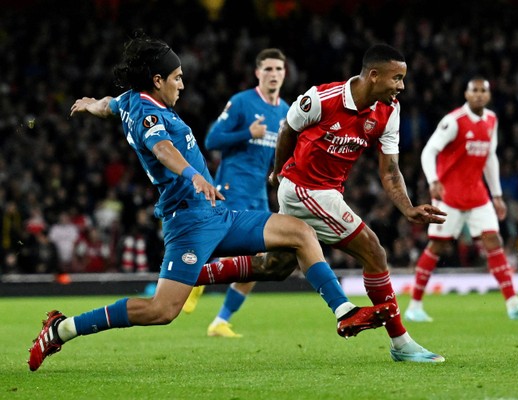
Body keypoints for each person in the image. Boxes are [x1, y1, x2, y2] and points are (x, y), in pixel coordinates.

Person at [27, 33, 398, 372]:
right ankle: (62, 329)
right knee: (161, 310)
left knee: (298, 232)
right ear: (157, 81)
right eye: (177, 77)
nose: (182, 84)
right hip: (188, 223)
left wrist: (92, 104)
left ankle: (344, 312)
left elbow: (110, 104)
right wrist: (196, 176)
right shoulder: (146, 112)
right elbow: (163, 148)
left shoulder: (128, 100)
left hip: (217, 213)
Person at [268, 43, 448, 363]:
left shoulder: (389, 111)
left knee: (276, 266)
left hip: (328, 192)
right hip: (303, 188)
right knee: (374, 251)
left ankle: (194, 275)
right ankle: (401, 342)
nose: (402, 86)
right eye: (397, 78)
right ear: (374, 75)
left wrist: (408, 208)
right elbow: (288, 130)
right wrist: (278, 173)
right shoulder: (322, 99)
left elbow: (390, 170)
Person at [404, 77, 518, 323]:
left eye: (483, 91)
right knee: (437, 246)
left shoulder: (491, 120)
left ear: (489, 96)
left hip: (478, 195)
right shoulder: (454, 121)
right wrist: (433, 181)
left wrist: (498, 195)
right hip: (449, 195)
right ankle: (414, 305)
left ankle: (513, 303)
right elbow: (429, 150)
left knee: (493, 240)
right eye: (475, 91)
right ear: (466, 94)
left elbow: (490, 158)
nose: (479, 94)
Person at [181, 48, 290, 339]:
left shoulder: (286, 111)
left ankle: (220, 321)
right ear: (257, 73)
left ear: (285, 73)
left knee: (260, 262)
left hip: (258, 193)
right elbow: (212, 138)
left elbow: (278, 154)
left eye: (278, 69)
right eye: (267, 69)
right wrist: (246, 133)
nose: (273, 74)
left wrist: (276, 174)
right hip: (232, 187)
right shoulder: (242, 102)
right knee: (233, 248)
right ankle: (197, 279)